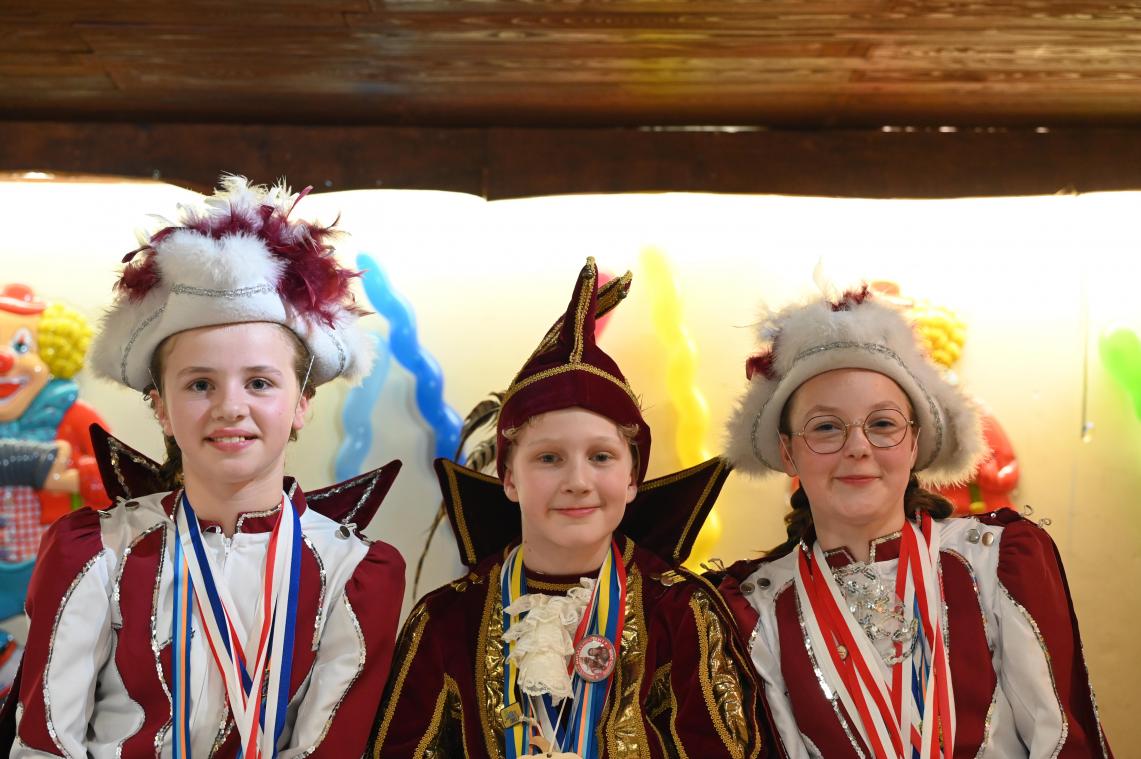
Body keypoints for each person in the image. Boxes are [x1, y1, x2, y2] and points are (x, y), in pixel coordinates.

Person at [3, 176, 405, 758]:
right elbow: (45, 744)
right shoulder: (98, 551)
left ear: (301, 403)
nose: (230, 408)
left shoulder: (353, 571)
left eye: (261, 382)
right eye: (200, 384)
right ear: (161, 407)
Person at [368, 258, 764, 759]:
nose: (577, 482)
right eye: (549, 458)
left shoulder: (682, 614)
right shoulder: (446, 621)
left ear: (631, 478)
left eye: (600, 457)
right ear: (509, 478)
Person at [716, 286, 1112, 758]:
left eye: (882, 424)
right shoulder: (756, 607)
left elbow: (1060, 739)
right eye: (826, 427)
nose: (858, 447)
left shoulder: (993, 560)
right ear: (788, 452)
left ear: (914, 442)